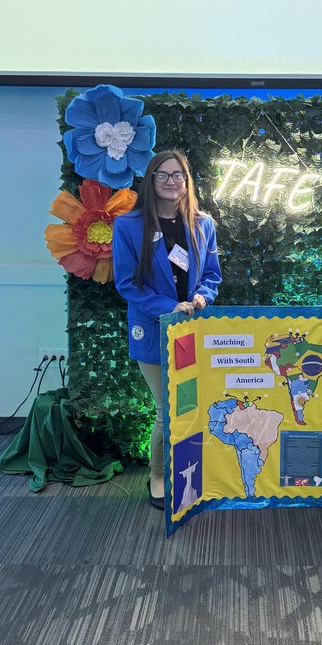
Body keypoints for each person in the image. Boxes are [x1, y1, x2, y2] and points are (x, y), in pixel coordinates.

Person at [114, 150, 222, 509]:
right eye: (164, 174)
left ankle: (190, 471)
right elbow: (128, 284)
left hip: (193, 329)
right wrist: (168, 307)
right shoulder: (130, 226)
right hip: (153, 328)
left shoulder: (203, 223)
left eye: (179, 175)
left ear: (187, 181)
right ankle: (158, 475)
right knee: (168, 407)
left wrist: (202, 298)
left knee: (192, 405)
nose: (172, 181)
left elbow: (211, 276)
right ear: (151, 180)